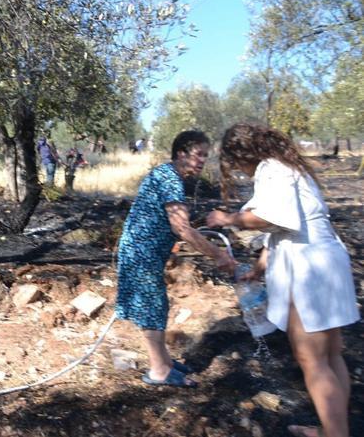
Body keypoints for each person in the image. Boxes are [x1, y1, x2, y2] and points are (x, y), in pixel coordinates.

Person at [206, 124, 359, 437]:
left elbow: (273, 219)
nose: (240, 171)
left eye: (237, 164)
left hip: (308, 267)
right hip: (326, 259)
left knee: (311, 358)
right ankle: (334, 429)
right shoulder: (288, 167)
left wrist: (228, 218)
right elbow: (289, 225)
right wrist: (261, 268)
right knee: (331, 353)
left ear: (243, 155)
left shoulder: (271, 170)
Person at [116, 130, 237, 387]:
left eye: (206, 155)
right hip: (141, 253)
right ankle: (159, 370)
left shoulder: (167, 175)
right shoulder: (170, 179)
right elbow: (181, 229)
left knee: (156, 306)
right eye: (199, 154)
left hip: (142, 251)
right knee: (152, 307)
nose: (203, 160)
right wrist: (219, 254)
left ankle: (164, 361)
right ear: (181, 154)